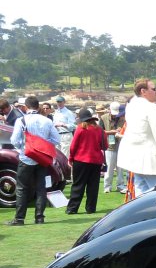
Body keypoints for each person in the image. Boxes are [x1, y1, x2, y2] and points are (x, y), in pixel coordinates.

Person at [117, 78, 156, 197]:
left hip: (135, 162)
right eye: (154, 89)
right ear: (143, 91)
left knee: (141, 200)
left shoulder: (131, 107)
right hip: (153, 163)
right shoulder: (153, 108)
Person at [7, 96, 60, 225]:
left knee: (22, 188)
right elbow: (56, 140)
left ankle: (19, 218)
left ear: (26, 107)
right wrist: (43, 145)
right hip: (42, 158)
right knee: (41, 188)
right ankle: (39, 217)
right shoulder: (47, 120)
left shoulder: (21, 120)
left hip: (26, 157)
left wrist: (23, 147)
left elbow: (14, 140)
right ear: (38, 106)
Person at [66, 108, 106, 215]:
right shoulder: (99, 130)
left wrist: (71, 158)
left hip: (80, 160)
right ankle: (91, 208)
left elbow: (73, 146)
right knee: (93, 186)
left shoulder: (80, 128)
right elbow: (105, 146)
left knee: (78, 185)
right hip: (96, 161)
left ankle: (72, 208)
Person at [103, 102, 126, 193]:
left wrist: (121, 131)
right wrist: (112, 132)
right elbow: (100, 131)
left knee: (120, 168)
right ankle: (107, 186)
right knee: (109, 167)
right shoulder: (103, 118)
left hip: (121, 145)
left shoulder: (123, 118)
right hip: (109, 146)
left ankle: (120, 186)